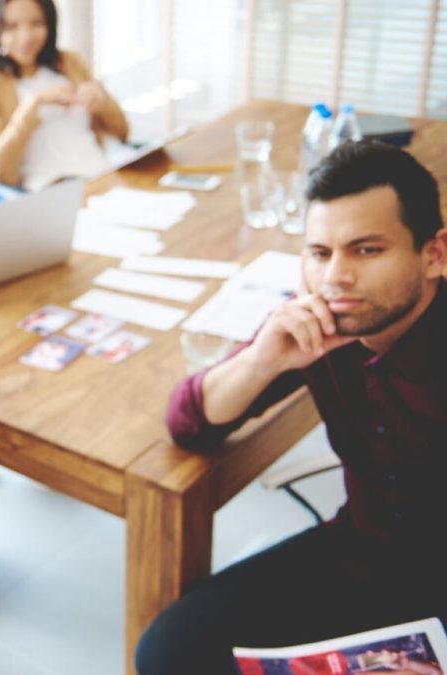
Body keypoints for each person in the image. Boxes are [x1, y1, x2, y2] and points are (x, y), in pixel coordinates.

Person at [135, 141, 447, 674]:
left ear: (434, 254)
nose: (335, 278)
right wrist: (261, 362)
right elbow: (188, 423)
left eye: (366, 250)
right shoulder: (322, 324)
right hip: (361, 550)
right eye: (320, 253)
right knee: (168, 652)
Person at [0, 0, 129, 191]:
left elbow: (123, 131)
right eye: (11, 26)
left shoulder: (70, 61)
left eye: (36, 24)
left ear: (49, 25)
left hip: (102, 177)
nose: (25, 37)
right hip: (47, 191)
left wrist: (102, 101)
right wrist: (32, 106)